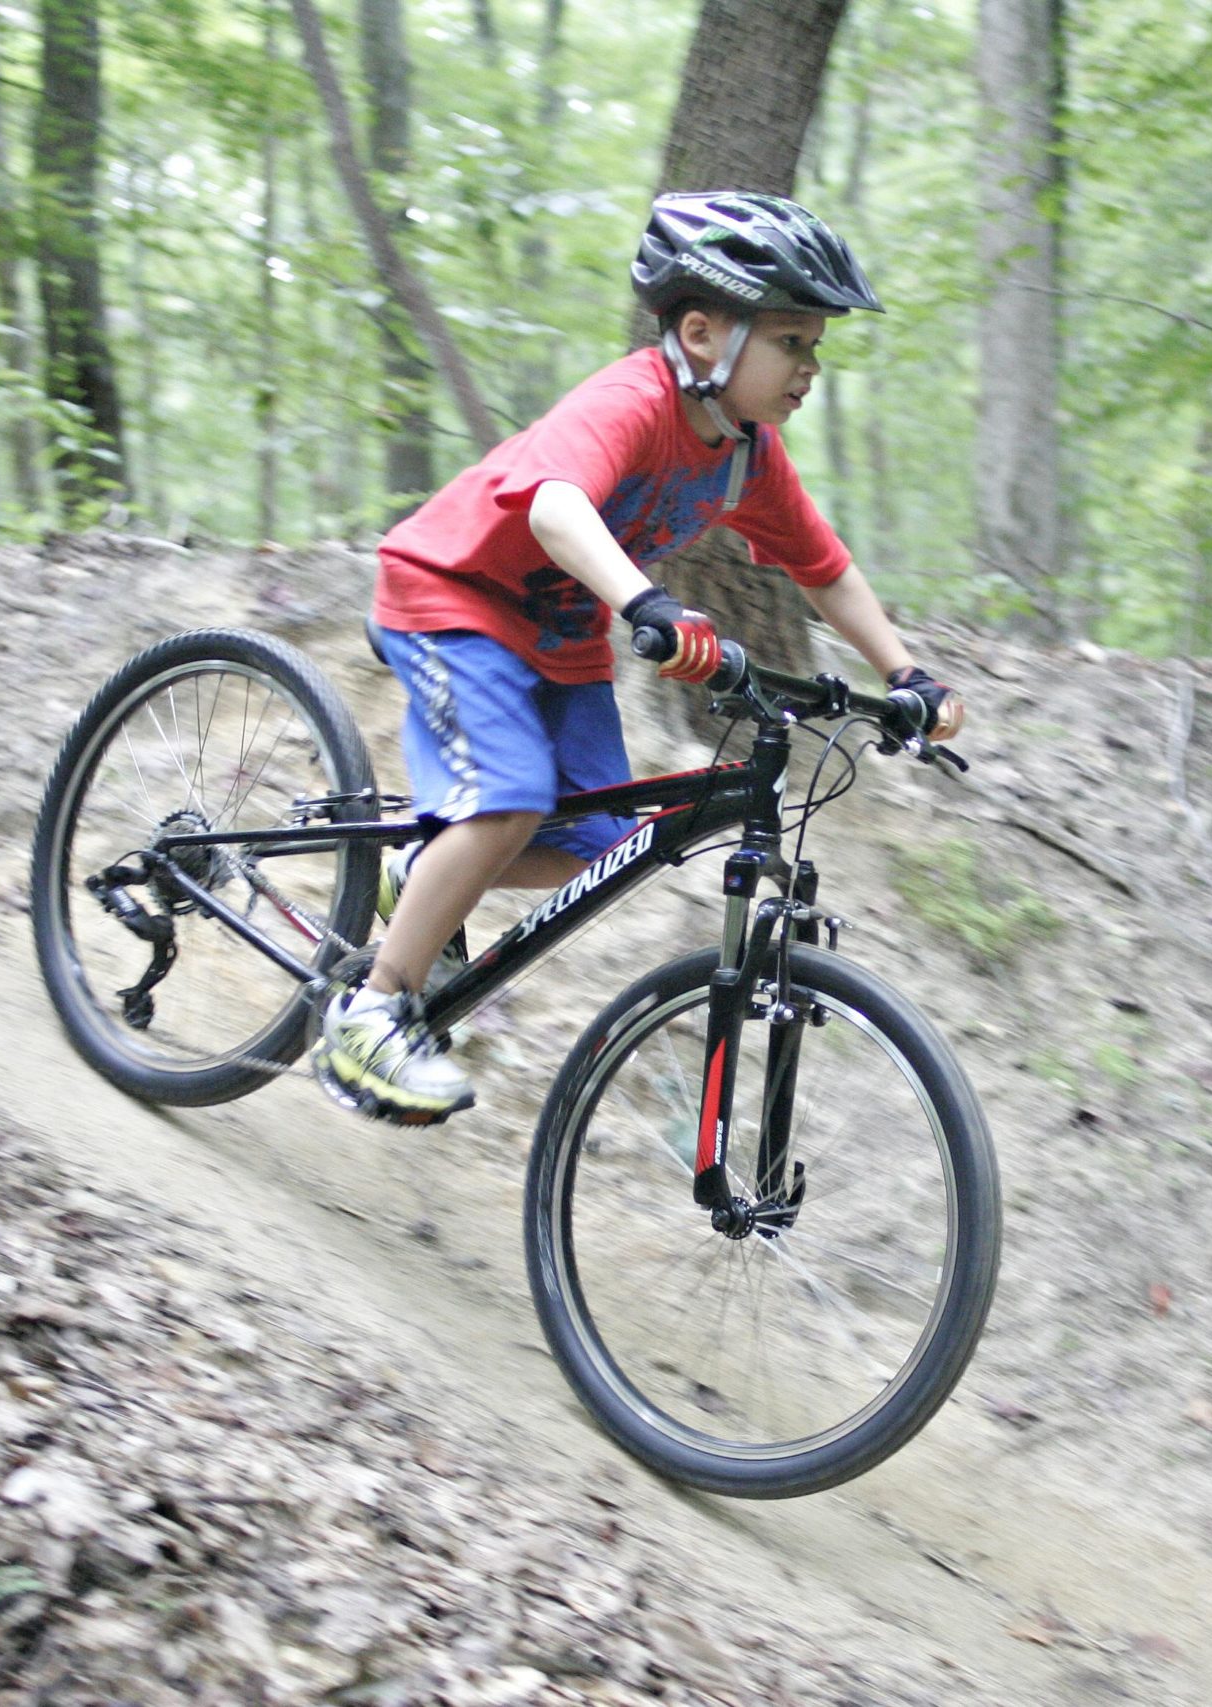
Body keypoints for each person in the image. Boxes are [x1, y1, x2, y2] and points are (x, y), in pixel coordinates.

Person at [322, 190, 965, 1122]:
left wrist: (905, 675)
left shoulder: (746, 454)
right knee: (506, 800)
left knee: (599, 842)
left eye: (815, 346)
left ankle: (426, 870)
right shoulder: (632, 400)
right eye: (791, 341)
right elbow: (552, 506)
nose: (809, 368)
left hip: (559, 632)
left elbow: (822, 567)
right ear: (702, 333)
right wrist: (650, 603)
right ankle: (370, 1012)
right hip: (453, 595)